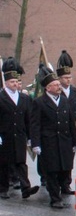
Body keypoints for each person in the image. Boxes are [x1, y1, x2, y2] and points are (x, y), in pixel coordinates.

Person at [30, 66, 76, 209]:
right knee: (51, 171)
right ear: (48, 88)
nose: (59, 87)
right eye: (56, 85)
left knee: (65, 169)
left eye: (59, 84)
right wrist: (35, 144)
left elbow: (71, 122)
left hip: (64, 141)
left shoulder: (64, 100)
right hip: (49, 142)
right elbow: (35, 125)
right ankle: (55, 198)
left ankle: (63, 188)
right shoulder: (39, 102)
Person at [0, 58, 39, 200]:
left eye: (16, 82)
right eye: (12, 82)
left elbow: (29, 119)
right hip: (5, 136)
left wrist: (30, 137)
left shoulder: (24, 98)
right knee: (4, 163)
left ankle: (25, 187)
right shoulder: (1, 97)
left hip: (20, 135)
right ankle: (3, 188)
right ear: (6, 83)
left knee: (21, 162)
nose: (15, 84)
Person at [56, 50, 76, 196]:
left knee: (69, 158)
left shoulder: (75, 92)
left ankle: (66, 184)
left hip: (70, 129)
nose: (68, 80)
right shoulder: (56, 92)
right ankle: (56, 182)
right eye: (65, 77)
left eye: (69, 77)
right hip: (58, 129)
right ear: (59, 78)